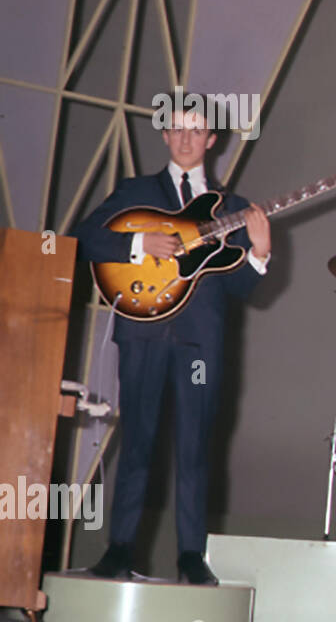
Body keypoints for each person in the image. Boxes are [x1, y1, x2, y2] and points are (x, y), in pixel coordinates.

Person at [70, 107, 271, 585]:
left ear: (212, 139)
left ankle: (190, 557)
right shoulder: (134, 192)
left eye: (196, 129)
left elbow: (243, 287)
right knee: (136, 440)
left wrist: (260, 253)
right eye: (177, 127)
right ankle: (119, 550)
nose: (186, 137)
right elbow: (80, 237)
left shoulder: (232, 206)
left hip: (200, 339)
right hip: (142, 330)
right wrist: (138, 245)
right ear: (164, 135)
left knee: (197, 447)